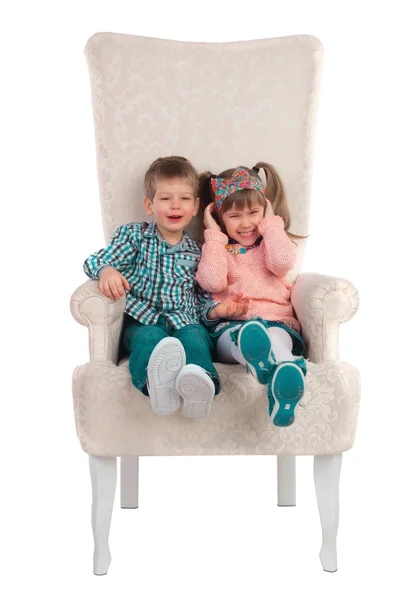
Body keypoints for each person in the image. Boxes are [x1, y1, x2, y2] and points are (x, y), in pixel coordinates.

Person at [83, 156, 246, 419]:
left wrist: (219, 310)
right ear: (149, 204)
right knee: (149, 339)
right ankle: (155, 385)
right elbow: (96, 260)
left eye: (183, 199)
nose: (174, 205)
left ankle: (199, 384)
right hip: (143, 322)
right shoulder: (135, 236)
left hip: (186, 322)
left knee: (195, 339)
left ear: (195, 207)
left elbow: (202, 299)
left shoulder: (198, 251)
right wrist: (107, 270)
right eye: (165, 198)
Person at [196, 163, 308, 427]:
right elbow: (212, 282)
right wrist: (213, 236)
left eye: (254, 213)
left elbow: (281, 262)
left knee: (276, 339)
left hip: (277, 321)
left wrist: (270, 225)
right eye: (234, 216)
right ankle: (260, 359)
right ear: (219, 216)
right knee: (240, 338)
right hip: (231, 326)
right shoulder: (217, 249)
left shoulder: (271, 243)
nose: (246, 223)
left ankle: (283, 377)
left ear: (265, 210)